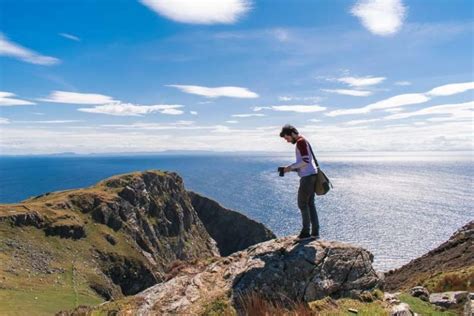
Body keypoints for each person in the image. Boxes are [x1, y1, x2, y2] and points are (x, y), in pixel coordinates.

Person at [279, 124, 320, 239]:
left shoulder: (300, 142)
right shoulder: (304, 141)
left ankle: (305, 232)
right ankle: (315, 232)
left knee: (302, 204)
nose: (287, 141)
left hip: (307, 178)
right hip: (312, 175)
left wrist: (290, 168)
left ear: (292, 134)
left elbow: (305, 161)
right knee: (310, 204)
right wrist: (289, 168)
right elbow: (305, 162)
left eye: (287, 138)